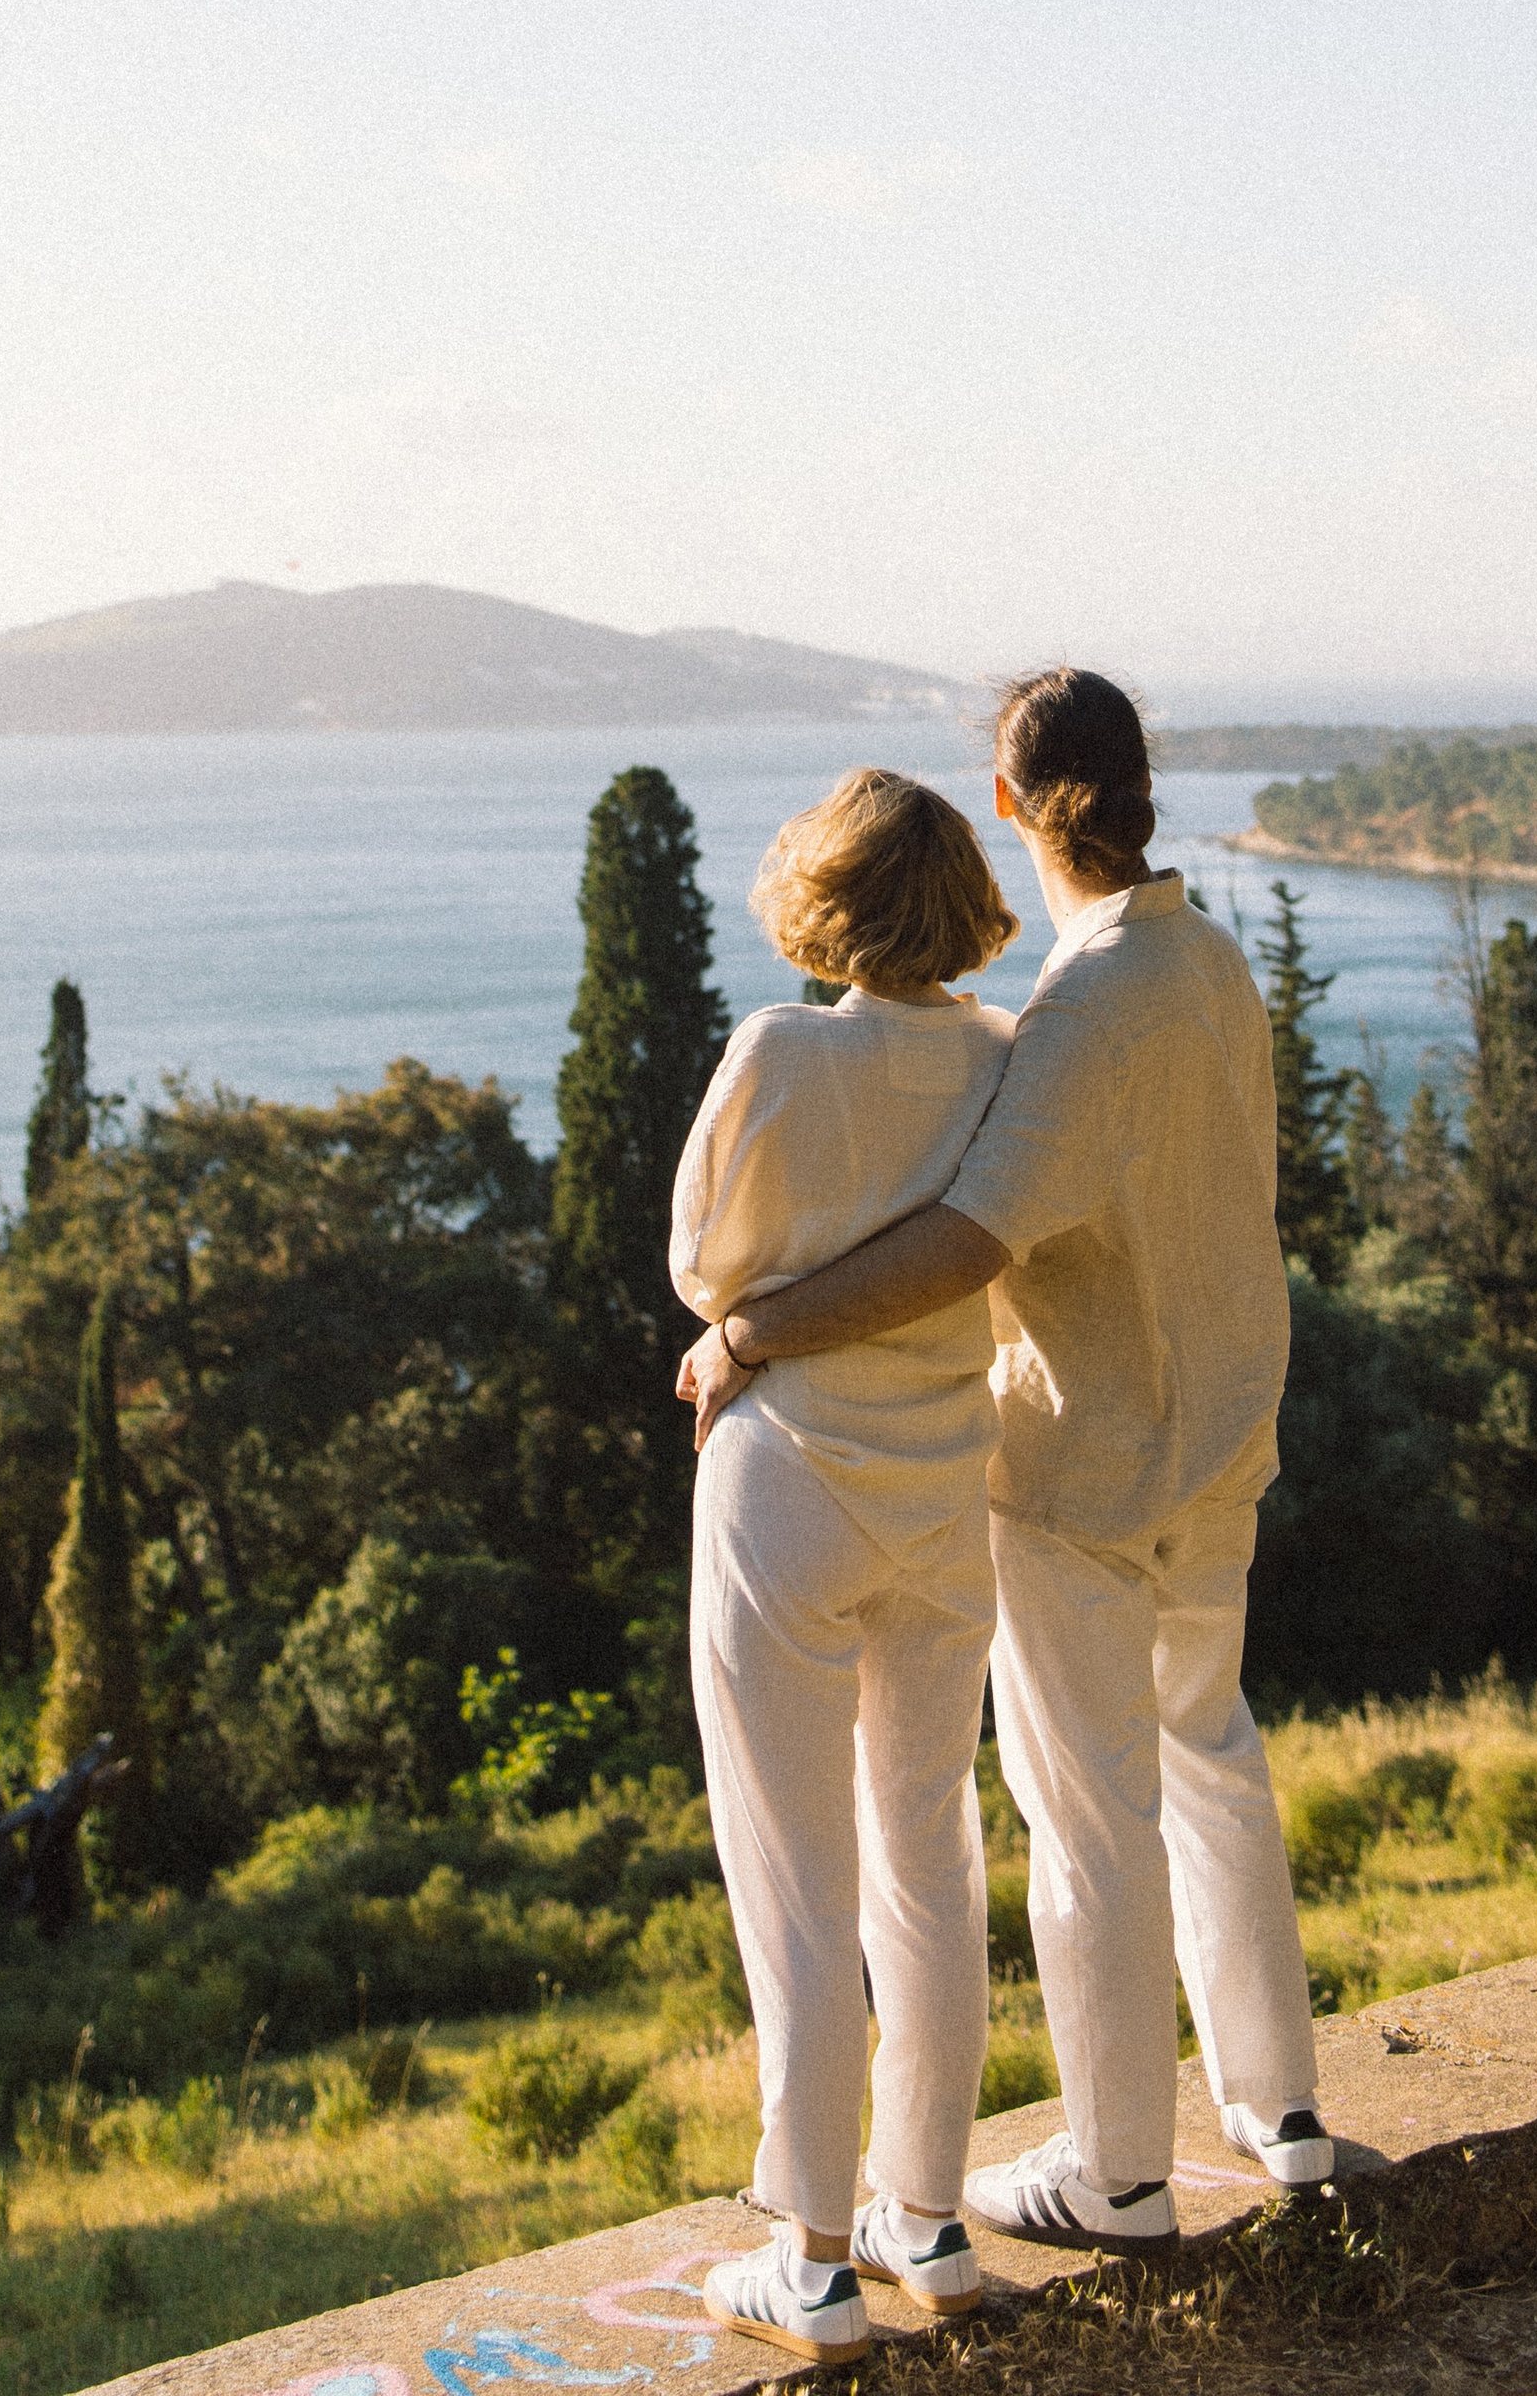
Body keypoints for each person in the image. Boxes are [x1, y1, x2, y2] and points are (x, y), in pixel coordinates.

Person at [681, 669, 1330, 2257]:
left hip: (1087, 1456)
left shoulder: (1082, 1011)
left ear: (1013, 805)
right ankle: (1282, 2112)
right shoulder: (1212, 966)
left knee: (1087, 1808)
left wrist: (758, 1333)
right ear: (1139, 785)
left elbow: (959, 1243)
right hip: (1225, 1429)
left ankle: (1116, 2174)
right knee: (1211, 1751)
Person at [671, 767, 1021, 2365]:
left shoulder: (778, 1051)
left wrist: (757, 1308)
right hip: (951, 1484)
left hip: (786, 1480)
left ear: (822, 897)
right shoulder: (1008, 1059)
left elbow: (700, 1267)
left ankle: (810, 2248)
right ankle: (927, 2219)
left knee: (793, 1875)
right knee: (930, 1847)